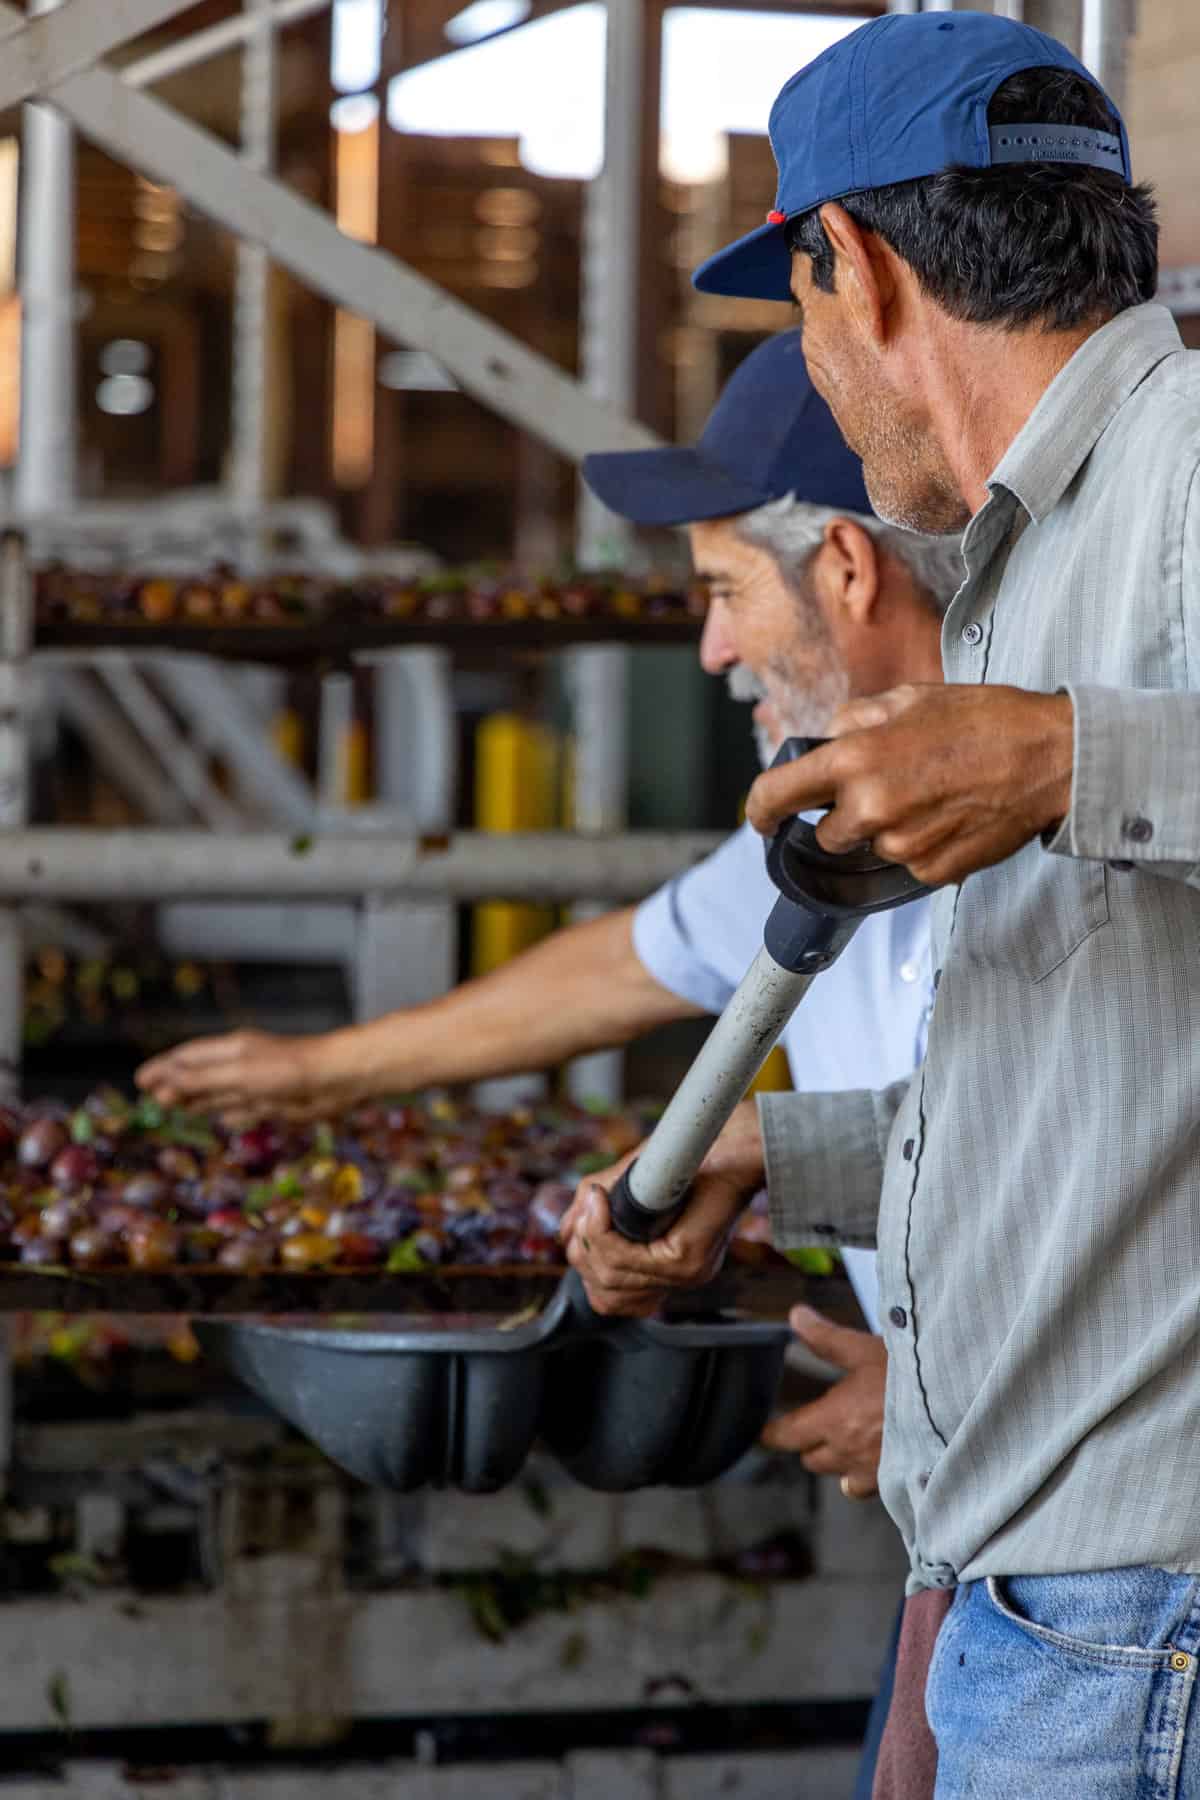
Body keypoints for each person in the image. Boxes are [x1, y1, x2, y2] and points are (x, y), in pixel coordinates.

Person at [603, 9, 1198, 1796]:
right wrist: (788, 1162)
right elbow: (1121, 1072)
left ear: (847, 266)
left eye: (797, 310)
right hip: (1068, 1593)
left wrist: (1063, 762)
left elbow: (1092, 772)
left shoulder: (1183, 472)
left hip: (1151, 1609)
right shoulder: (1029, 550)